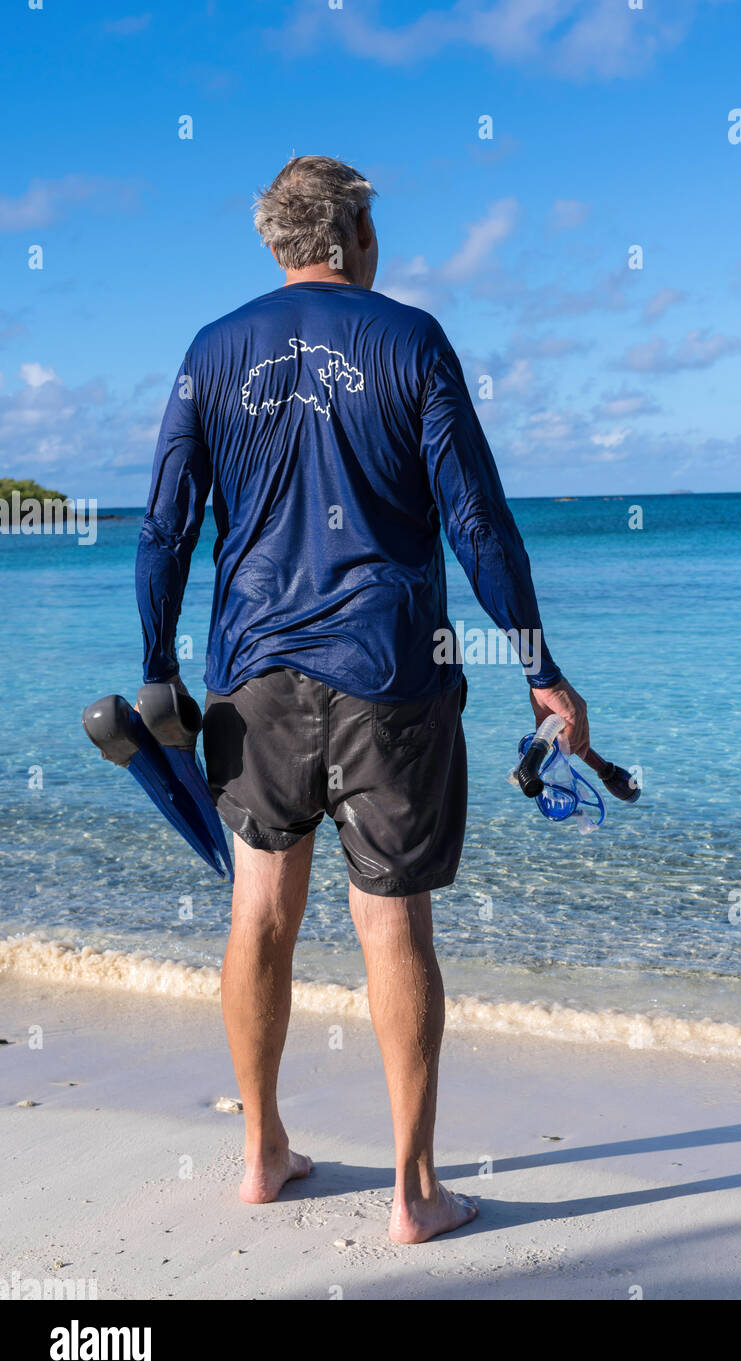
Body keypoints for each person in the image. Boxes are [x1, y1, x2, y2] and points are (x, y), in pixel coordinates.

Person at [135, 155, 589, 1243]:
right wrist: (539, 665)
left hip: (250, 677)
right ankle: (413, 1192)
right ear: (356, 238)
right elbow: (477, 521)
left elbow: (164, 529)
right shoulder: (411, 339)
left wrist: (157, 669)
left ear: (278, 245)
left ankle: (260, 1155)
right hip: (389, 674)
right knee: (391, 922)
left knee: (258, 912)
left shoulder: (212, 351)